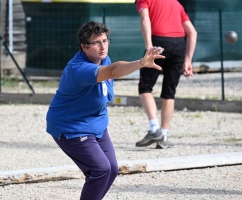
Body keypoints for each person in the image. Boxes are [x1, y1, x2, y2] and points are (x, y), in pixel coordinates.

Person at [46, 21, 165, 200]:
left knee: (111, 169)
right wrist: (141, 62)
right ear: (84, 47)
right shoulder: (79, 69)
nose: (103, 46)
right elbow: (114, 71)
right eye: (97, 43)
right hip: (71, 127)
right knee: (100, 169)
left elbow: (109, 75)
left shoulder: (103, 59)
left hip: (97, 124)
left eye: (105, 40)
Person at [134, 0, 197, 149]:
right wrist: (188, 60)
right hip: (179, 45)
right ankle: (164, 136)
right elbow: (192, 32)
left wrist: (149, 46)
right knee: (169, 93)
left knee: (145, 88)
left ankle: (154, 128)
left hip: (158, 42)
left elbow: (145, 18)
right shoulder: (176, 3)